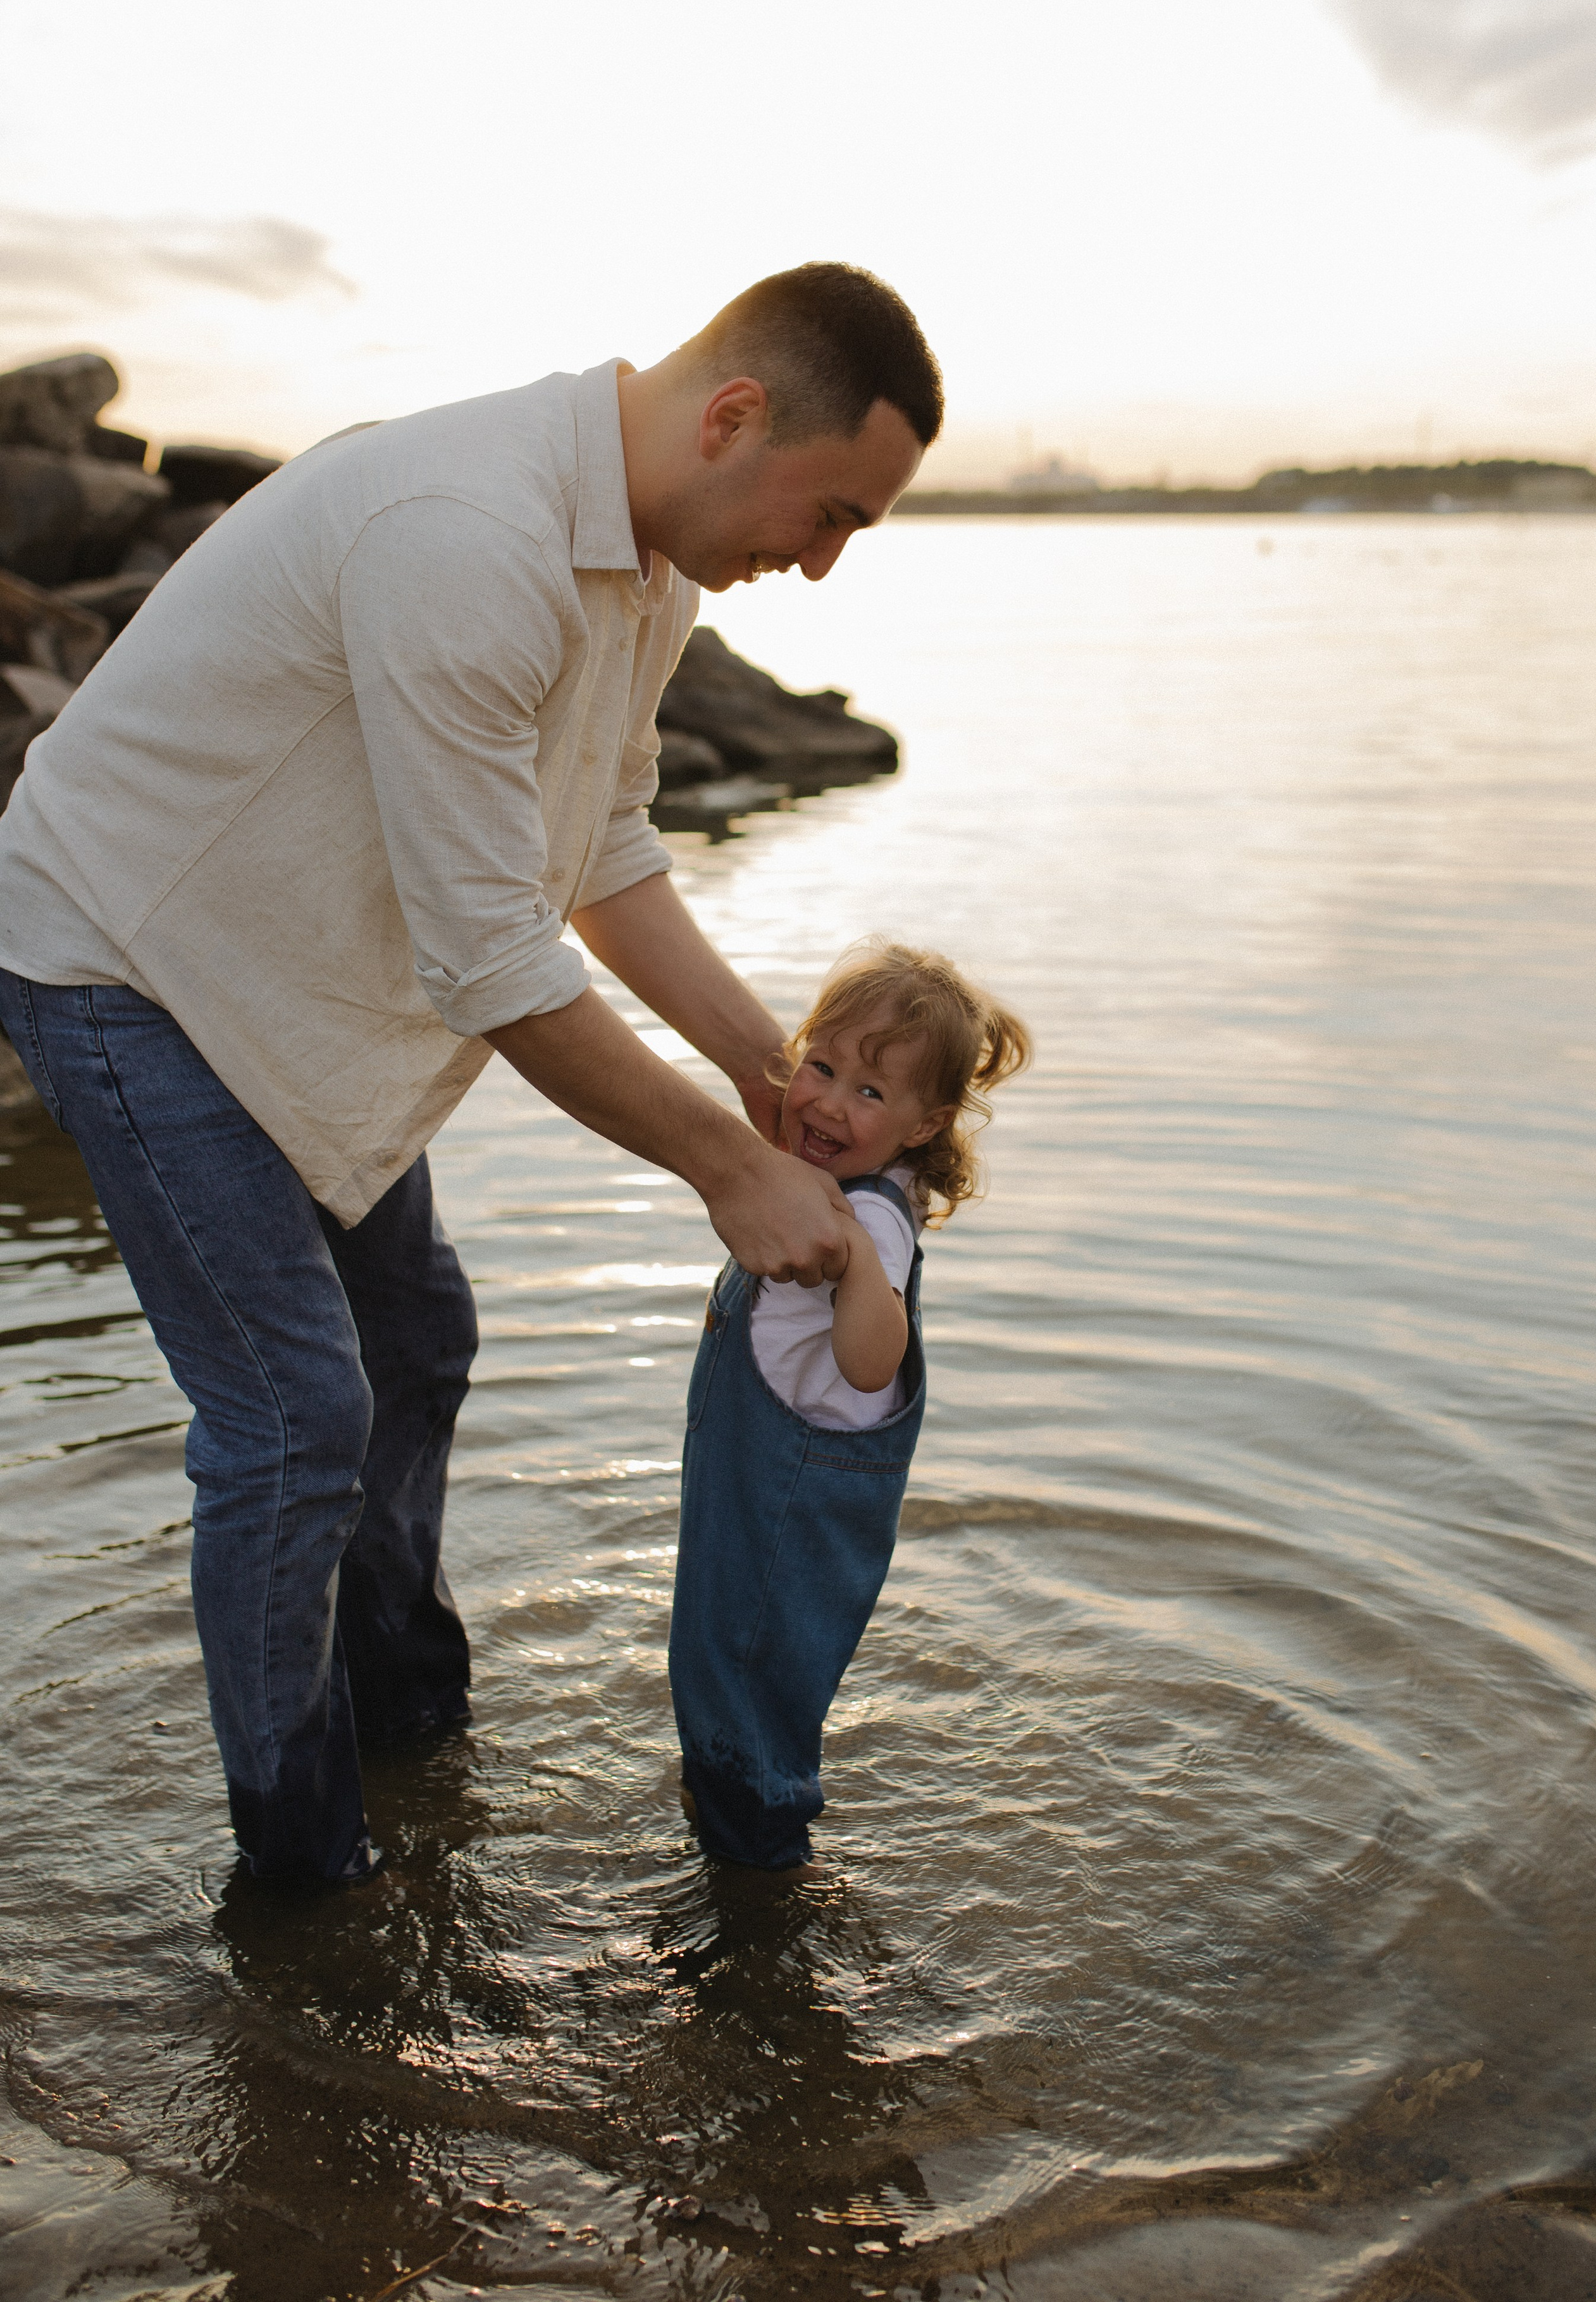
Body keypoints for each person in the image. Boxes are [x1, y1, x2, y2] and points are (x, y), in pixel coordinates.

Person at [0, 263, 944, 1886]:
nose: (820, 561)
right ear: (733, 417)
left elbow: (602, 849)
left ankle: (406, 1725)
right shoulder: (466, 533)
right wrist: (732, 1171)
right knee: (294, 1417)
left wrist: (765, 1075)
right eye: (830, 513)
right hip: (123, 956)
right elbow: (496, 963)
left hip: (289, 970)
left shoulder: (652, 576)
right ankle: (304, 1870)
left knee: (417, 1333)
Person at [669, 941, 1030, 1875]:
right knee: (726, 1677)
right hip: (758, 1488)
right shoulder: (834, 1179)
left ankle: (763, 1874)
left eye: (870, 1092)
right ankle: (738, 1851)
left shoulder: (868, 1222)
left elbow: (873, 1364)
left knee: (751, 1693)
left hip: (790, 1501)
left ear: (926, 1124)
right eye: (821, 1067)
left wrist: (861, 1265)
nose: (830, 1103)